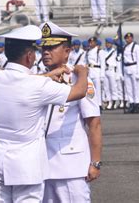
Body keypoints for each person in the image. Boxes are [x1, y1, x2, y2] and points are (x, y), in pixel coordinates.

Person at [0, 25, 89, 202]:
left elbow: (19, 81)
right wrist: (82, 72)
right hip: (25, 167)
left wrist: (48, 75)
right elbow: (78, 91)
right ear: (29, 56)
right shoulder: (37, 86)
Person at [39, 22, 102, 202]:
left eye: (51, 47)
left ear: (67, 51)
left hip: (71, 167)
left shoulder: (79, 81)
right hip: (43, 165)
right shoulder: (39, 80)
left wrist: (95, 163)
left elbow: (94, 124)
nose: (45, 52)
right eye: (43, 47)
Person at [122, 33, 139, 114]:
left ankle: (137, 104)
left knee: (136, 88)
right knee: (128, 88)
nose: (128, 39)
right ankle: (131, 103)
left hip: (134, 67)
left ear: (132, 38)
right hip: (126, 68)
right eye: (126, 38)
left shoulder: (136, 47)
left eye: (129, 38)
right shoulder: (125, 47)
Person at [85, 37, 105, 108]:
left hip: (97, 71)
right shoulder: (88, 51)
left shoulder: (99, 51)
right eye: (90, 42)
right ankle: (92, 104)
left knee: (98, 90)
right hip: (90, 71)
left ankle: (99, 105)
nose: (91, 43)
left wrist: (102, 75)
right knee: (90, 89)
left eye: (92, 42)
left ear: (96, 43)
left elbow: (103, 63)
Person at [103, 37, 119, 110]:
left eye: (109, 43)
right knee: (106, 87)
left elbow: (118, 61)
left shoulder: (115, 51)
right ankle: (109, 102)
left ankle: (114, 102)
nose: (107, 44)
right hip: (105, 70)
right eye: (106, 43)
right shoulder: (103, 51)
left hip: (112, 70)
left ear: (112, 44)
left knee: (113, 87)